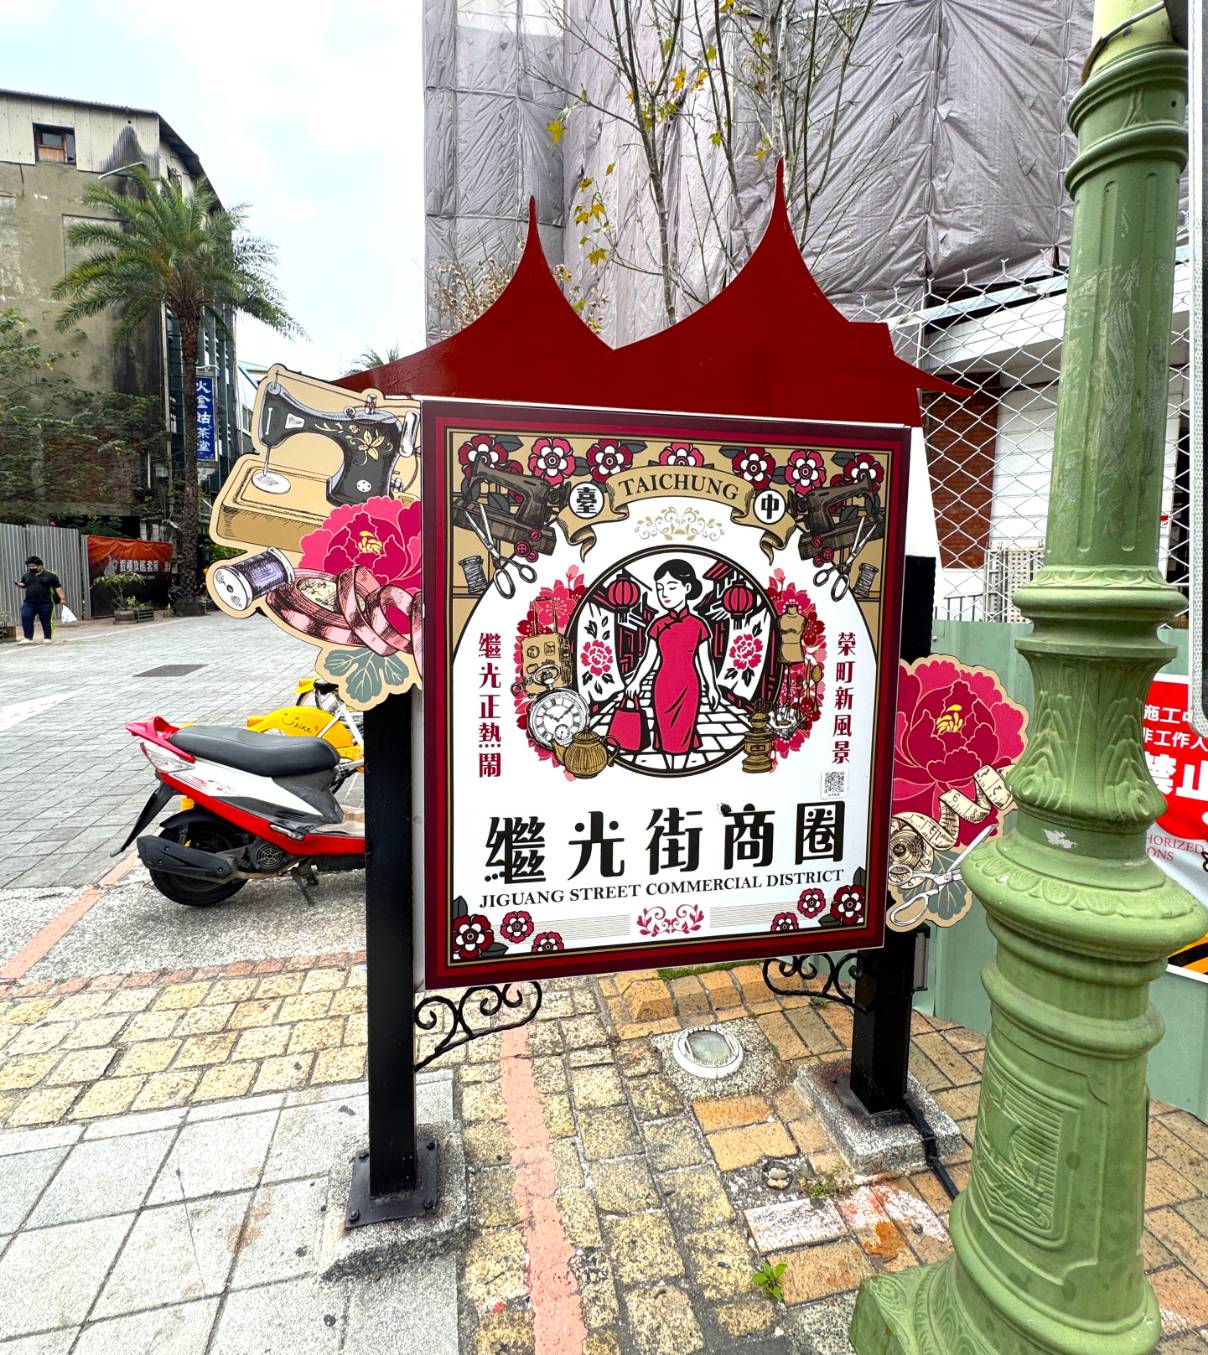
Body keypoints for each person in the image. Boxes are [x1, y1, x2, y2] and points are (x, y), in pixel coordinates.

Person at [623, 559, 722, 770]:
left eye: (671, 586)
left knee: (685, 731)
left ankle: (682, 768)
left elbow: (705, 660)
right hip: (663, 686)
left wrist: (712, 687)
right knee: (665, 730)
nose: (664, 593)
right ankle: (670, 768)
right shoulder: (657, 625)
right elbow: (648, 658)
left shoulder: (698, 625)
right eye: (660, 588)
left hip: (689, 686)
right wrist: (636, 681)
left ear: (687, 588)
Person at [15, 556, 65, 644]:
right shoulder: (26, 575)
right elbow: (25, 584)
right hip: (29, 603)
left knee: (46, 621)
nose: (31, 568)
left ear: (40, 565)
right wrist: (20, 584)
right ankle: (28, 638)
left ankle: (47, 638)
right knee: (26, 617)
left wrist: (62, 598)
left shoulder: (51, 575)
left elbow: (58, 587)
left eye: (33, 566)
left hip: (46, 603)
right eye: (29, 566)